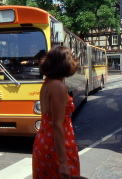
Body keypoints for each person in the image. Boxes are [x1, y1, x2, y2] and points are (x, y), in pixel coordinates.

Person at [32, 46, 80, 179]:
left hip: (45, 141)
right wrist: (63, 161)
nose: (73, 61)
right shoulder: (58, 87)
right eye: (70, 58)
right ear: (63, 63)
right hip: (57, 147)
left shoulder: (47, 83)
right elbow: (57, 125)